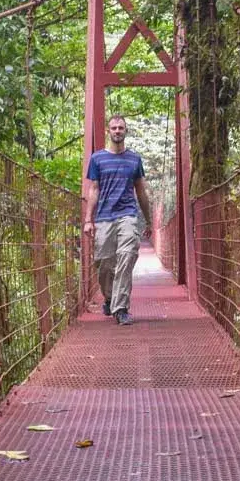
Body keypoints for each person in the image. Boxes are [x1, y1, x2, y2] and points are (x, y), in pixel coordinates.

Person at [83, 114, 152, 325]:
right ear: (108, 131)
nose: (117, 131)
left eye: (121, 128)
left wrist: (148, 221)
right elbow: (94, 189)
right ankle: (110, 298)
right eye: (114, 128)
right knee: (103, 263)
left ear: (126, 131)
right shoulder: (97, 159)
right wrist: (88, 219)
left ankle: (121, 308)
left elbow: (140, 191)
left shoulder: (134, 159)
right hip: (104, 216)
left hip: (128, 215)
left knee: (126, 256)